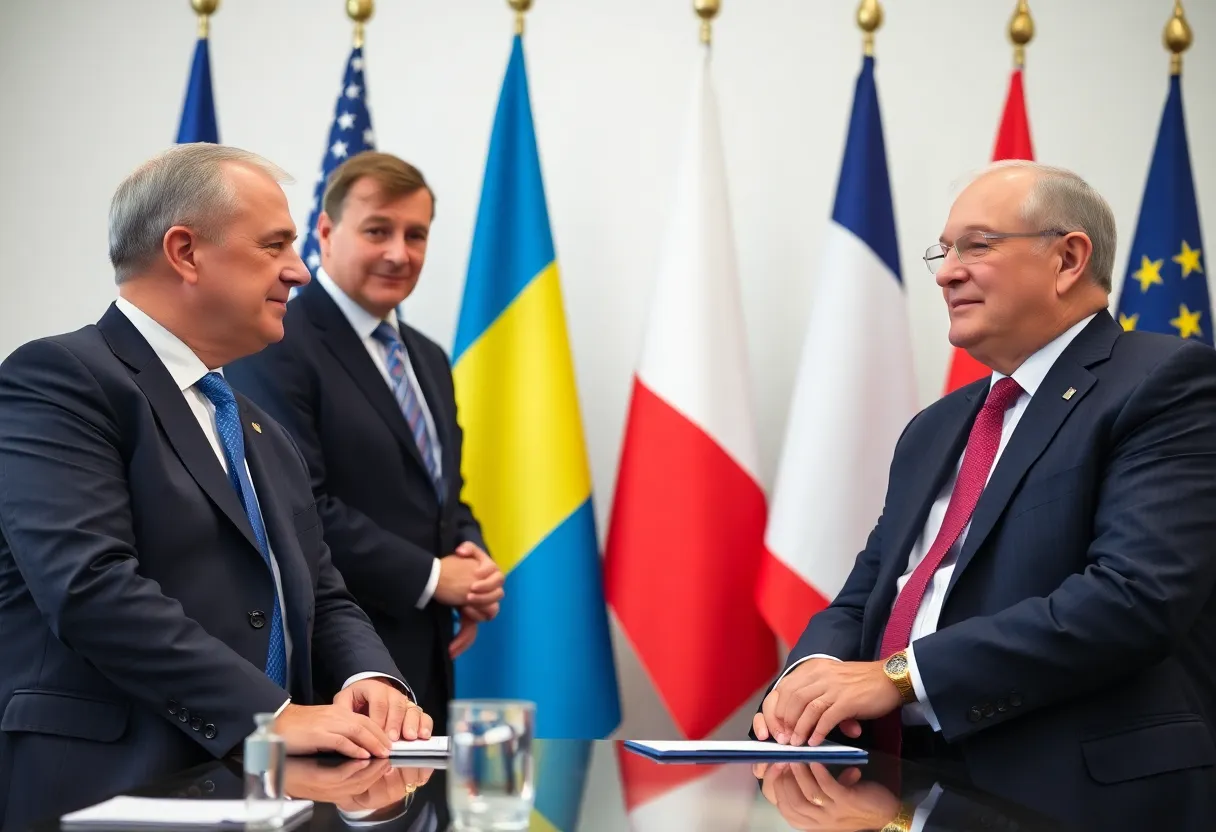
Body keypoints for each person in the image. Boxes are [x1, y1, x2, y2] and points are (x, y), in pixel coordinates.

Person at [753, 161, 1216, 827]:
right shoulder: (936, 427)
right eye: (944, 251)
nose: (945, 273)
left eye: (977, 245)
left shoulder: (1165, 384)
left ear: (1067, 258)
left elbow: (1133, 599)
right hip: (902, 792)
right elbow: (866, 597)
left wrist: (898, 677)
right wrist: (814, 672)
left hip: (1075, 797)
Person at [0, 144, 433, 827]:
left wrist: (369, 681)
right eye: (275, 245)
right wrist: (274, 716)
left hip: (269, 799)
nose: (298, 270)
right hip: (110, 788)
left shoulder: (255, 425)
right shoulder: (61, 379)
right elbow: (90, 586)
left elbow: (321, 592)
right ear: (185, 252)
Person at [226, 151, 503, 733]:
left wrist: (470, 561)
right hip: (337, 674)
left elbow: (441, 493)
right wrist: (432, 576)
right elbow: (300, 507)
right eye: (378, 230)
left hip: (427, 660)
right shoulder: (277, 340)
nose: (399, 253)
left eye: (416, 234)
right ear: (326, 233)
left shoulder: (426, 356)